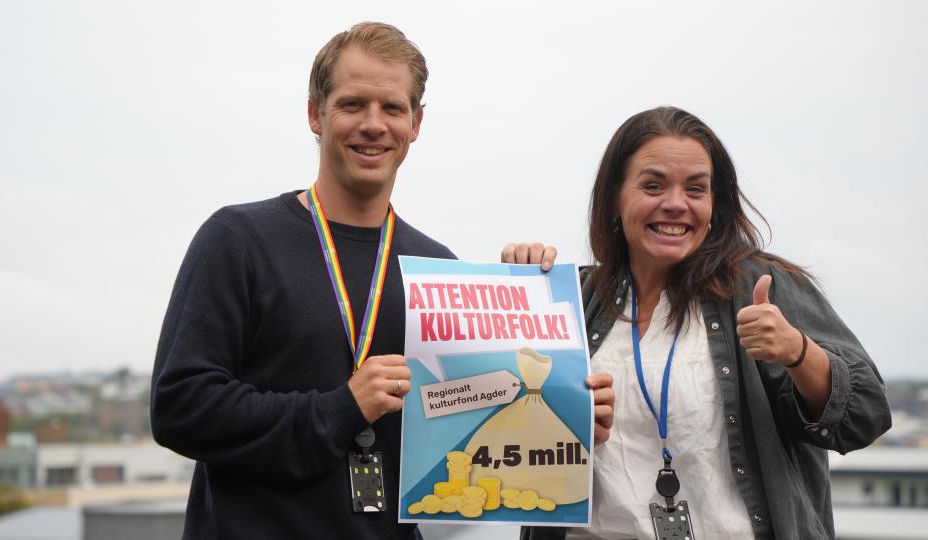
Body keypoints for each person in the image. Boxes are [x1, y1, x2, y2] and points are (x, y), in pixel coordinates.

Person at [151, 22, 614, 539]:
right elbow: (179, 407)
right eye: (352, 105)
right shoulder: (239, 240)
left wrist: (571, 415)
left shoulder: (436, 270)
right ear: (315, 114)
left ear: (415, 123)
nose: (374, 124)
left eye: (392, 108)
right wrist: (340, 409)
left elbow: (468, 429)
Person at [507, 106, 890, 539]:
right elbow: (501, 442)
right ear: (615, 198)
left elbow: (865, 416)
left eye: (696, 188)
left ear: (714, 203)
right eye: (653, 185)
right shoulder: (572, 298)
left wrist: (798, 352)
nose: (675, 204)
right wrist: (516, 292)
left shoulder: (760, 287)